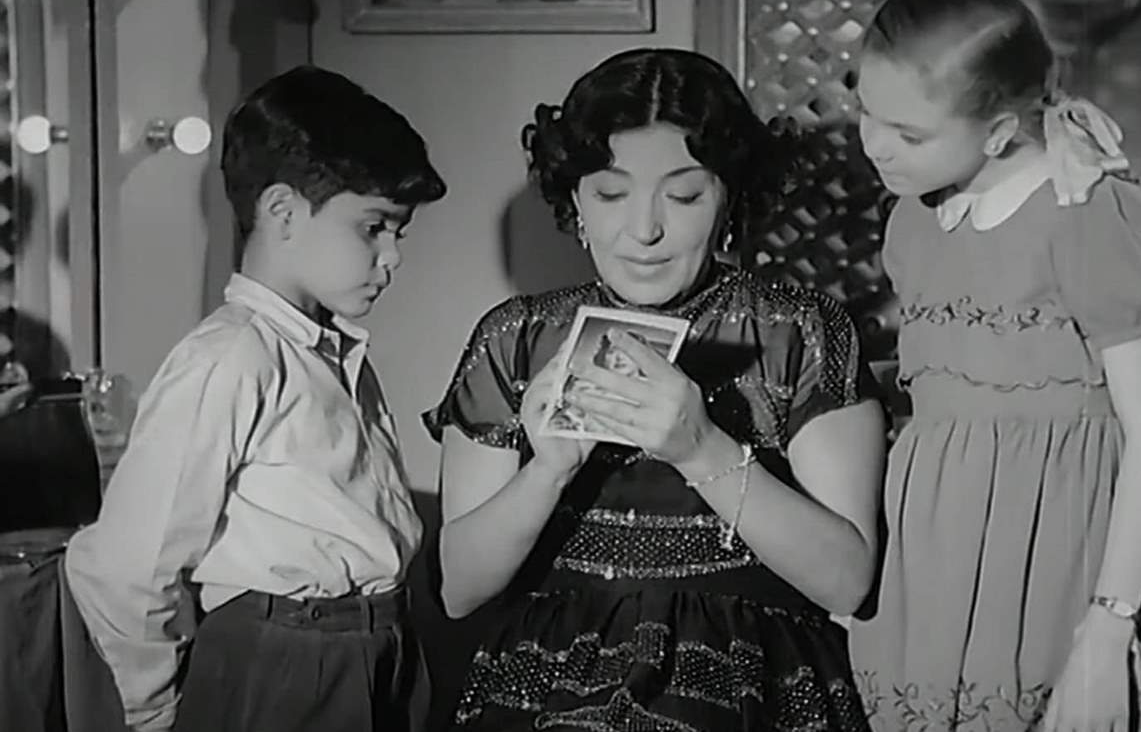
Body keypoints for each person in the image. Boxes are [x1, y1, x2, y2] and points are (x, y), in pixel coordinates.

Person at [423, 47, 887, 731]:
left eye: (684, 195)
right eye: (611, 195)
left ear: (729, 199)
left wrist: (702, 449)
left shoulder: (799, 331)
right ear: (575, 201)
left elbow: (847, 581)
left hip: (750, 686)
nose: (644, 230)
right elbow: (458, 590)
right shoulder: (517, 337)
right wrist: (547, 472)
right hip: (549, 686)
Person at [847, 0, 1141, 731]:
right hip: (932, 561)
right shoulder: (914, 217)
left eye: (908, 134)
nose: (875, 145)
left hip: (1056, 568)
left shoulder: (1084, 214)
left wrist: (1108, 629)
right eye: (865, 110)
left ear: (1000, 131)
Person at [63, 66, 447, 732]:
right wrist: (155, 709)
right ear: (283, 212)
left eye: (399, 232)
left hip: (379, 647)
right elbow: (129, 563)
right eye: (374, 227)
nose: (393, 256)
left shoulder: (332, 353)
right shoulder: (230, 358)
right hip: (287, 660)